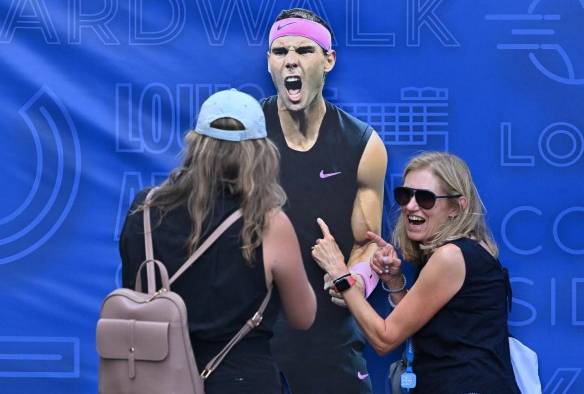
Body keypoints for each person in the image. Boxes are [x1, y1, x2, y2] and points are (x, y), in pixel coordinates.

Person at [119, 89, 316, 394]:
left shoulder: (144, 210)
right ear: (260, 154)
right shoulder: (268, 224)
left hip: (153, 379)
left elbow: (136, 293)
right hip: (241, 381)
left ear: (196, 145)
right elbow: (303, 317)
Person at [312, 151, 520, 393]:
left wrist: (340, 272)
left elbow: (385, 339)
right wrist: (394, 281)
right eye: (405, 195)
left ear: (456, 207)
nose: (410, 206)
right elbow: (434, 329)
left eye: (425, 198)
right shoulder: (465, 252)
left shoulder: (450, 257)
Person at [262, 7, 388, 394]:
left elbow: (368, 241)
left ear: (328, 60)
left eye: (304, 50)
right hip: (249, 332)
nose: (291, 61)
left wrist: (354, 278)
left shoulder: (362, 144)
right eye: (280, 52)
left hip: (327, 334)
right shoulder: (245, 139)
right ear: (269, 63)